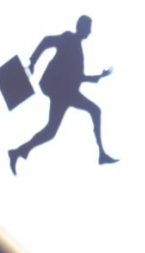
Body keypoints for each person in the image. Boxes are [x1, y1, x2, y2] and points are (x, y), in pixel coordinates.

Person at [8, 15, 116, 175]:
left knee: (51, 130)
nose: (90, 31)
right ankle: (101, 154)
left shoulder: (77, 47)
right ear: (82, 27)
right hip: (62, 91)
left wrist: (98, 76)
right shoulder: (69, 39)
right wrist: (32, 63)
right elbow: (46, 40)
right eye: (89, 28)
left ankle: (18, 152)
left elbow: (78, 77)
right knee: (93, 111)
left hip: (67, 92)